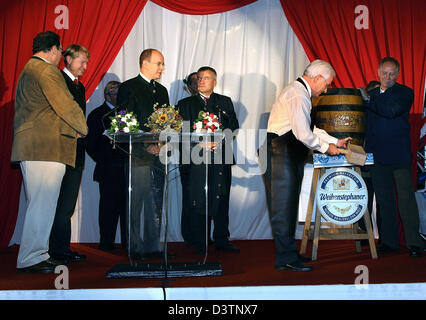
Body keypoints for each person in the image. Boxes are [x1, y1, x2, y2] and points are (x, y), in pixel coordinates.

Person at [11, 31, 87, 273]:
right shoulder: (45, 70)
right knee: (43, 204)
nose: (59, 56)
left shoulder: (28, 69)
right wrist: (82, 128)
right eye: (60, 51)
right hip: (45, 146)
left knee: (39, 204)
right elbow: (65, 104)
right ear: (53, 49)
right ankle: (32, 256)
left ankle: (36, 253)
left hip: (34, 146)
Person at [265, 59, 351, 272]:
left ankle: (289, 254)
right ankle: (285, 258)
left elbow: (309, 129)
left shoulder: (300, 92)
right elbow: (303, 134)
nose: (326, 89)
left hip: (286, 153)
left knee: (288, 206)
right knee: (282, 208)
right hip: (280, 153)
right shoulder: (298, 93)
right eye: (327, 83)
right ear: (317, 78)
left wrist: (332, 141)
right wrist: (326, 148)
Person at [360, 57, 424, 257]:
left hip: (399, 156)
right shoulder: (370, 94)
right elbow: (366, 126)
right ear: (378, 71)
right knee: (384, 201)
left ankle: (414, 243)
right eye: (385, 73)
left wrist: (367, 100)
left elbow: (391, 111)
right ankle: (389, 242)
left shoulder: (405, 93)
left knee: (406, 201)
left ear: (398, 74)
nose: (388, 77)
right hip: (377, 156)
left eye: (392, 74)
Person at [116, 49, 173, 259]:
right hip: (137, 152)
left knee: (155, 199)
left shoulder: (163, 90)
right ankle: (134, 247)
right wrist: (146, 143)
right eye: (158, 63)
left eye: (163, 64)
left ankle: (153, 246)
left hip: (159, 153)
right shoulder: (129, 87)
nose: (161, 68)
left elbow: (167, 121)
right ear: (144, 63)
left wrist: (161, 142)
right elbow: (124, 121)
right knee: (135, 200)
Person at [178, 66, 240, 255]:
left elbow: (233, 127)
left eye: (206, 78)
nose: (201, 81)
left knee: (221, 199)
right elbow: (180, 132)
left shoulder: (224, 102)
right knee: (197, 200)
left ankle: (222, 238)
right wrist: (199, 143)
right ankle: (200, 240)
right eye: (199, 78)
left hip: (220, 158)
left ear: (214, 82)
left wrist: (219, 140)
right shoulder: (185, 104)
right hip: (194, 160)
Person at [48, 44, 90, 263]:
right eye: (81, 61)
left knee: (67, 204)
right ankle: (53, 249)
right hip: (60, 150)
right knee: (57, 203)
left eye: (86, 62)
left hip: (76, 153)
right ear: (68, 59)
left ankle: (61, 247)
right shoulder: (58, 80)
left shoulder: (79, 86)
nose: (85, 66)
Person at [86, 81, 127, 251]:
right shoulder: (97, 114)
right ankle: (106, 242)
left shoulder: (126, 113)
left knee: (127, 207)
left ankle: (128, 242)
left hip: (126, 167)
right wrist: (104, 159)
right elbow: (89, 143)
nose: (120, 98)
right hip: (108, 168)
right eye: (117, 94)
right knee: (108, 207)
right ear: (107, 95)